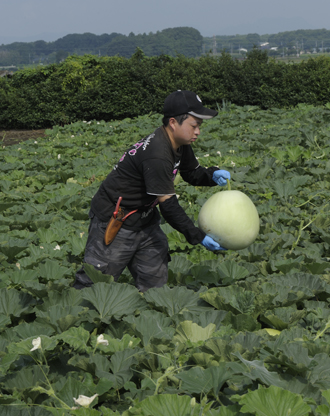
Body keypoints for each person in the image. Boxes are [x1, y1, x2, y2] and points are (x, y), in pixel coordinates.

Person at [73, 90, 230, 292]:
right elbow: (169, 205)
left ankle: (149, 312)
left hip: (145, 220)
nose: (198, 131)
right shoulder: (157, 153)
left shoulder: (180, 143)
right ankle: (77, 314)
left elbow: (192, 173)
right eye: (194, 125)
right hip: (116, 219)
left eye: (199, 126)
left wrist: (212, 175)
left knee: (154, 279)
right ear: (173, 123)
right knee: (95, 281)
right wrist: (197, 236)